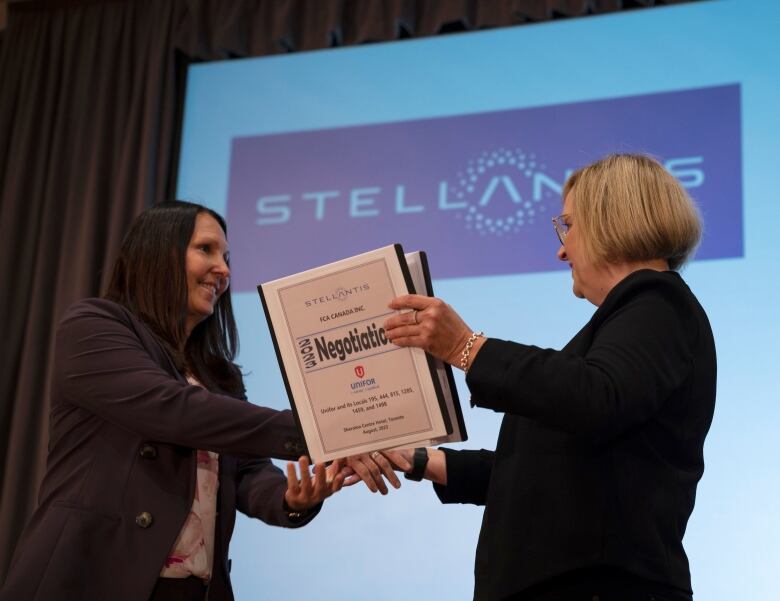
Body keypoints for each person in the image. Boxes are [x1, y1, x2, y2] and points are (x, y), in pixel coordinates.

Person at [382, 154, 716, 601]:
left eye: (568, 226)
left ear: (611, 221)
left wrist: (466, 346)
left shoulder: (657, 302)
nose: (561, 248)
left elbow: (596, 397)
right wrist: (417, 458)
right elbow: (542, 472)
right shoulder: (632, 321)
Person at [0, 201, 357, 601]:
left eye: (226, 257)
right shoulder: (92, 325)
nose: (223, 269)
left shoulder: (220, 376)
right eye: (206, 249)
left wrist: (289, 498)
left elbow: (248, 473)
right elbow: (173, 409)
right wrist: (319, 428)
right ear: (157, 252)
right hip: (88, 576)